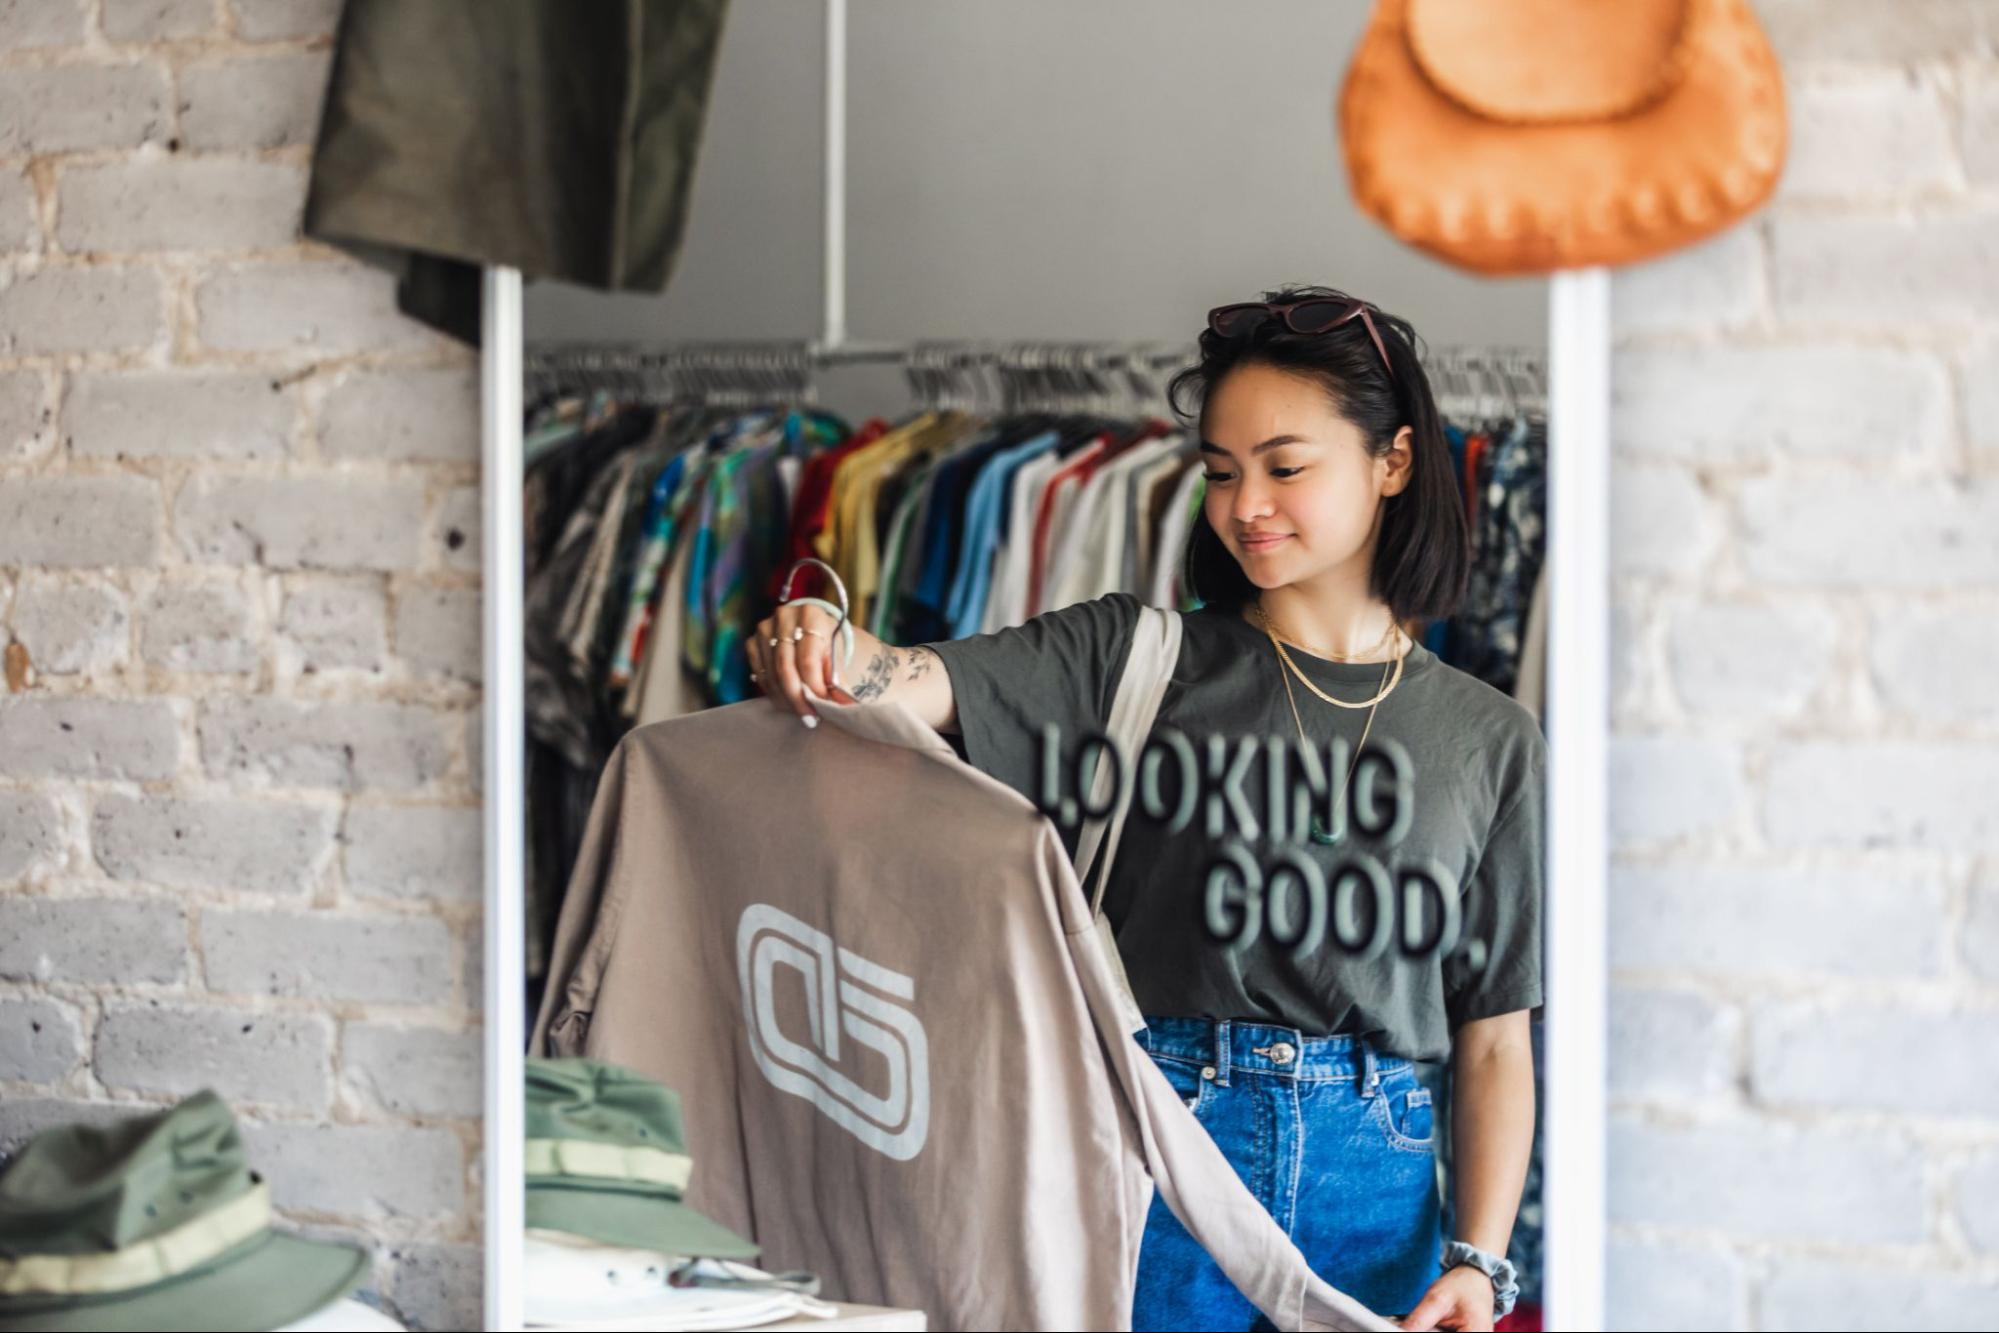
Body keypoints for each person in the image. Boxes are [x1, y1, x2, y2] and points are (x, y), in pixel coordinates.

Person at [746, 285, 1542, 1332]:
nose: (1243, 504)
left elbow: (1492, 1037)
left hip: (1381, 1190)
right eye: (1219, 472)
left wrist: (1480, 1259)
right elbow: (906, 678)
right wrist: (820, 635)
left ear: (1392, 462)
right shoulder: (1130, 657)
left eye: (1284, 467)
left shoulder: (1488, 738)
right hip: (1158, 1147)